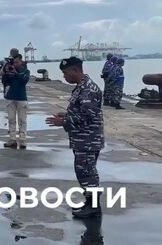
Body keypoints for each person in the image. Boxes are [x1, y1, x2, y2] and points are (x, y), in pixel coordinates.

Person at [46, 57, 104, 219]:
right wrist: (66, 114)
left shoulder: (88, 89)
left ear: (76, 71)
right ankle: (89, 203)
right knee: (84, 171)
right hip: (83, 139)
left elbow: (86, 116)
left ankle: (93, 207)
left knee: (87, 173)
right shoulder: (81, 87)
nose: (64, 77)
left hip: (88, 140)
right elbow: (82, 111)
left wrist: (62, 121)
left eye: (65, 73)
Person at [2, 54, 30, 149]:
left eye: (17, 62)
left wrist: (16, 73)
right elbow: (4, 82)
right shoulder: (9, 71)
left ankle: (22, 140)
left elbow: (24, 80)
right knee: (11, 119)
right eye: (14, 62)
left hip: (21, 98)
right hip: (10, 97)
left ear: (21, 62)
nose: (15, 64)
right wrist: (5, 73)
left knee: (22, 120)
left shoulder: (25, 71)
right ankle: (12, 139)